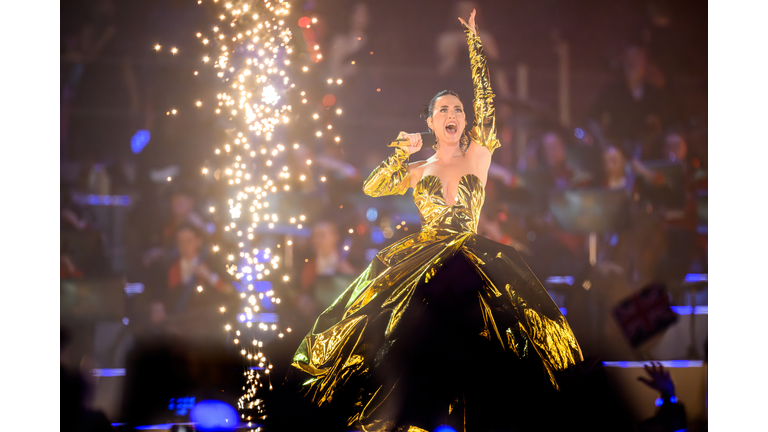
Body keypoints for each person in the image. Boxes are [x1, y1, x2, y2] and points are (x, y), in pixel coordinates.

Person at [276, 11, 582, 432]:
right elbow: (373, 187)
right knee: (395, 324)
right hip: (424, 255)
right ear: (431, 121)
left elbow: (486, 102)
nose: (453, 113)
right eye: (444, 109)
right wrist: (401, 153)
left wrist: (475, 44)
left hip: (471, 252)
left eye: (458, 109)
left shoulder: (479, 155)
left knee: (494, 330)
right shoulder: (420, 168)